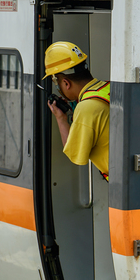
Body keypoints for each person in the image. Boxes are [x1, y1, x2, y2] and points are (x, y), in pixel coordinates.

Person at [43, 41, 110, 181]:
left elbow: (75, 154)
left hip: (127, 187)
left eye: (58, 84)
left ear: (66, 83)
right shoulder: (107, 87)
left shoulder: (87, 107)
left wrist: (60, 118)